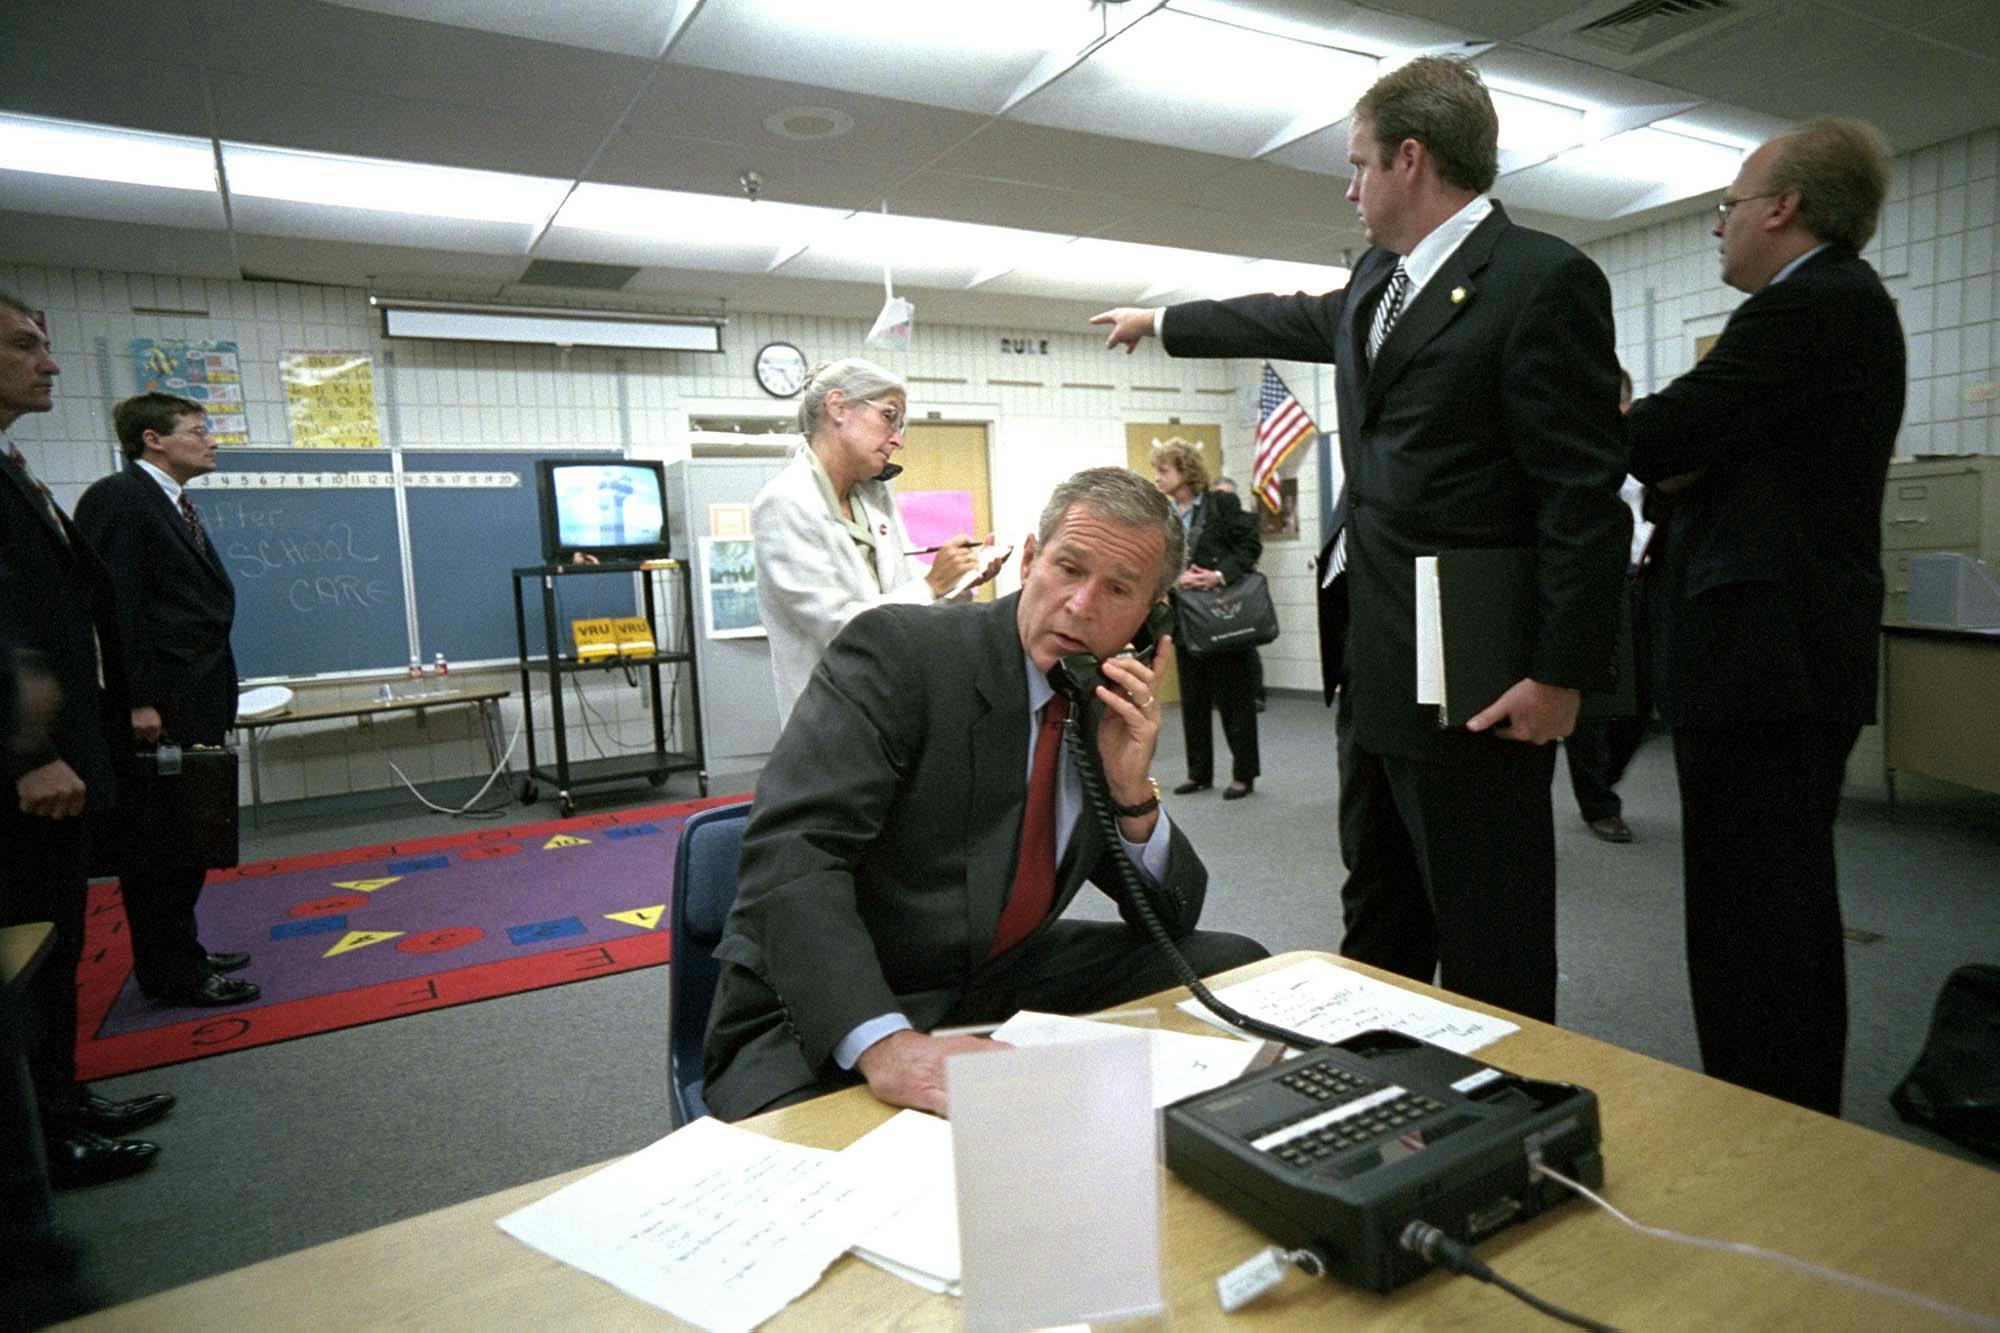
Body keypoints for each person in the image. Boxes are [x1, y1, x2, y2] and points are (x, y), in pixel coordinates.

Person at [1093, 57, 1628, 1022]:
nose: (1350, 189)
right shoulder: (1381, 278)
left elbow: (1582, 498)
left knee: (1486, 920)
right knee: (1377, 902)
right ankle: (1378, 1089)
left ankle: (1503, 1124)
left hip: (1476, 662)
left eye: (1359, 165)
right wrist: (1165, 320)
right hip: (1376, 647)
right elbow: (1292, 316)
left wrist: (1564, 672)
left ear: (1410, 160)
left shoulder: (1543, 281)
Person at [703, 466, 1268, 1119]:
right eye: (1068, 569)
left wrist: (1129, 789)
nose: (1082, 606)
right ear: (1029, 559)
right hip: (844, 991)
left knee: (1231, 966)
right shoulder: (901, 653)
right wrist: (882, 1042)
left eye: (1118, 589)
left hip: (996, 973)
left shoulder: (1101, 697)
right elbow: (790, 855)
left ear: (1154, 615)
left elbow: (1172, 919)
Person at [1625, 117, 1904, 1116]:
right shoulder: (1828, 310)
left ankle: (1773, 1117)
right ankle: (1768, 1104)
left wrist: (1630, 434)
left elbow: (1662, 437)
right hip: (1774, 661)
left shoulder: (1811, 305)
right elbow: (1694, 459)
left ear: (1781, 208)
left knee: (1756, 913)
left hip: (1765, 665)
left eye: (1727, 206)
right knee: (1759, 901)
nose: (1717, 228)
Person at [0, 288, 174, 1187]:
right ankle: (42, 1136)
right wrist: (25, 750)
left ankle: (63, 1101)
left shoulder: (13, 465)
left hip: (67, 750)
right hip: (28, 769)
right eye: (27, 344)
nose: (52, 362)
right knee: (29, 951)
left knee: (61, 939)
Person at [75, 393, 259, 1008]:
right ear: (154, 439)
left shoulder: (169, 502)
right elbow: (116, 607)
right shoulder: (120, 499)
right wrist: (138, 701)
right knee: (161, 845)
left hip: (195, 692)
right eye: (197, 431)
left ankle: (183, 950)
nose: (211, 441)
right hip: (161, 705)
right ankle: (172, 974)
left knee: (187, 838)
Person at [751, 357, 1000, 725]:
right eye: (889, 416)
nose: (898, 439)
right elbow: (839, 627)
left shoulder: (873, 498)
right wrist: (933, 585)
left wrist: (961, 579)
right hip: (832, 718)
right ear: (837, 407)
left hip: (895, 705)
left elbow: (899, 589)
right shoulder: (784, 504)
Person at [1562, 369, 1653, 843]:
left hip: (1646, 579)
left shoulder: (1644, 443)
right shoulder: (1580, 450)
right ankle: (1599, 803)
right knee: (1593, 703)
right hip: (1600, 581)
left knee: (1644, 696)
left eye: (1618, 400)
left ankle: (1604, 777)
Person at [1153, 442, 1262, 800]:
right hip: (1185, 617)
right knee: (1194, 698)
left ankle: (1244, 774)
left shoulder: (1221, 504)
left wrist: (1217, 574)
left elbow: (1249, 548)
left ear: (1185, 472)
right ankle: (1199, 772)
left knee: (1235, 699)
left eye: (1164, 471)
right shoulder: (1165, 514)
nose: (1157, 478)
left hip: (1222, 614)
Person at [1210, 475, 1267, 712]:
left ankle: (1255, 694)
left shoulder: (1245, 521)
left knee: (1245, 644)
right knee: (1215, 645)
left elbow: (1249, 552)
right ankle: (1220, 696)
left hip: (1239, 587)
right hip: (1213, 592)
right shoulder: (1209, 524)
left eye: (1226, 495)